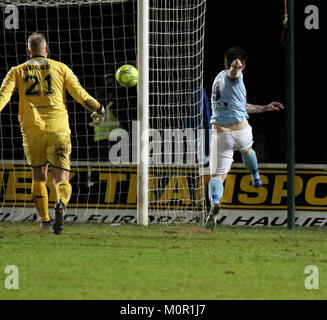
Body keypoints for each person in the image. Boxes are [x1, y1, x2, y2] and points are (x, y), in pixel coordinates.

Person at [0, 33, 105, 234]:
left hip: (32, 133)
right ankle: (61, 204)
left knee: (39, 177)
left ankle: (45, 222)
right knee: (61, 178)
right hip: (58, 130)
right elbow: (81, 95)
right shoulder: (60, 68)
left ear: (27, 51)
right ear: (47, 50)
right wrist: (99, 109)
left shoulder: (16, 71)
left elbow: (2, 98)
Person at [205, 47, 284, 230]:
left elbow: (241, 106)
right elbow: (233, 76)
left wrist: (265, 107)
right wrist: (236, 68)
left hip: (220, 134)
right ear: (242, 66)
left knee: (217, 177)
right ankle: (255, 176)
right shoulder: (233, 77)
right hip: (241, 132)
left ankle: (214, 204)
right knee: (247, 150)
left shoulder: (217, 79)